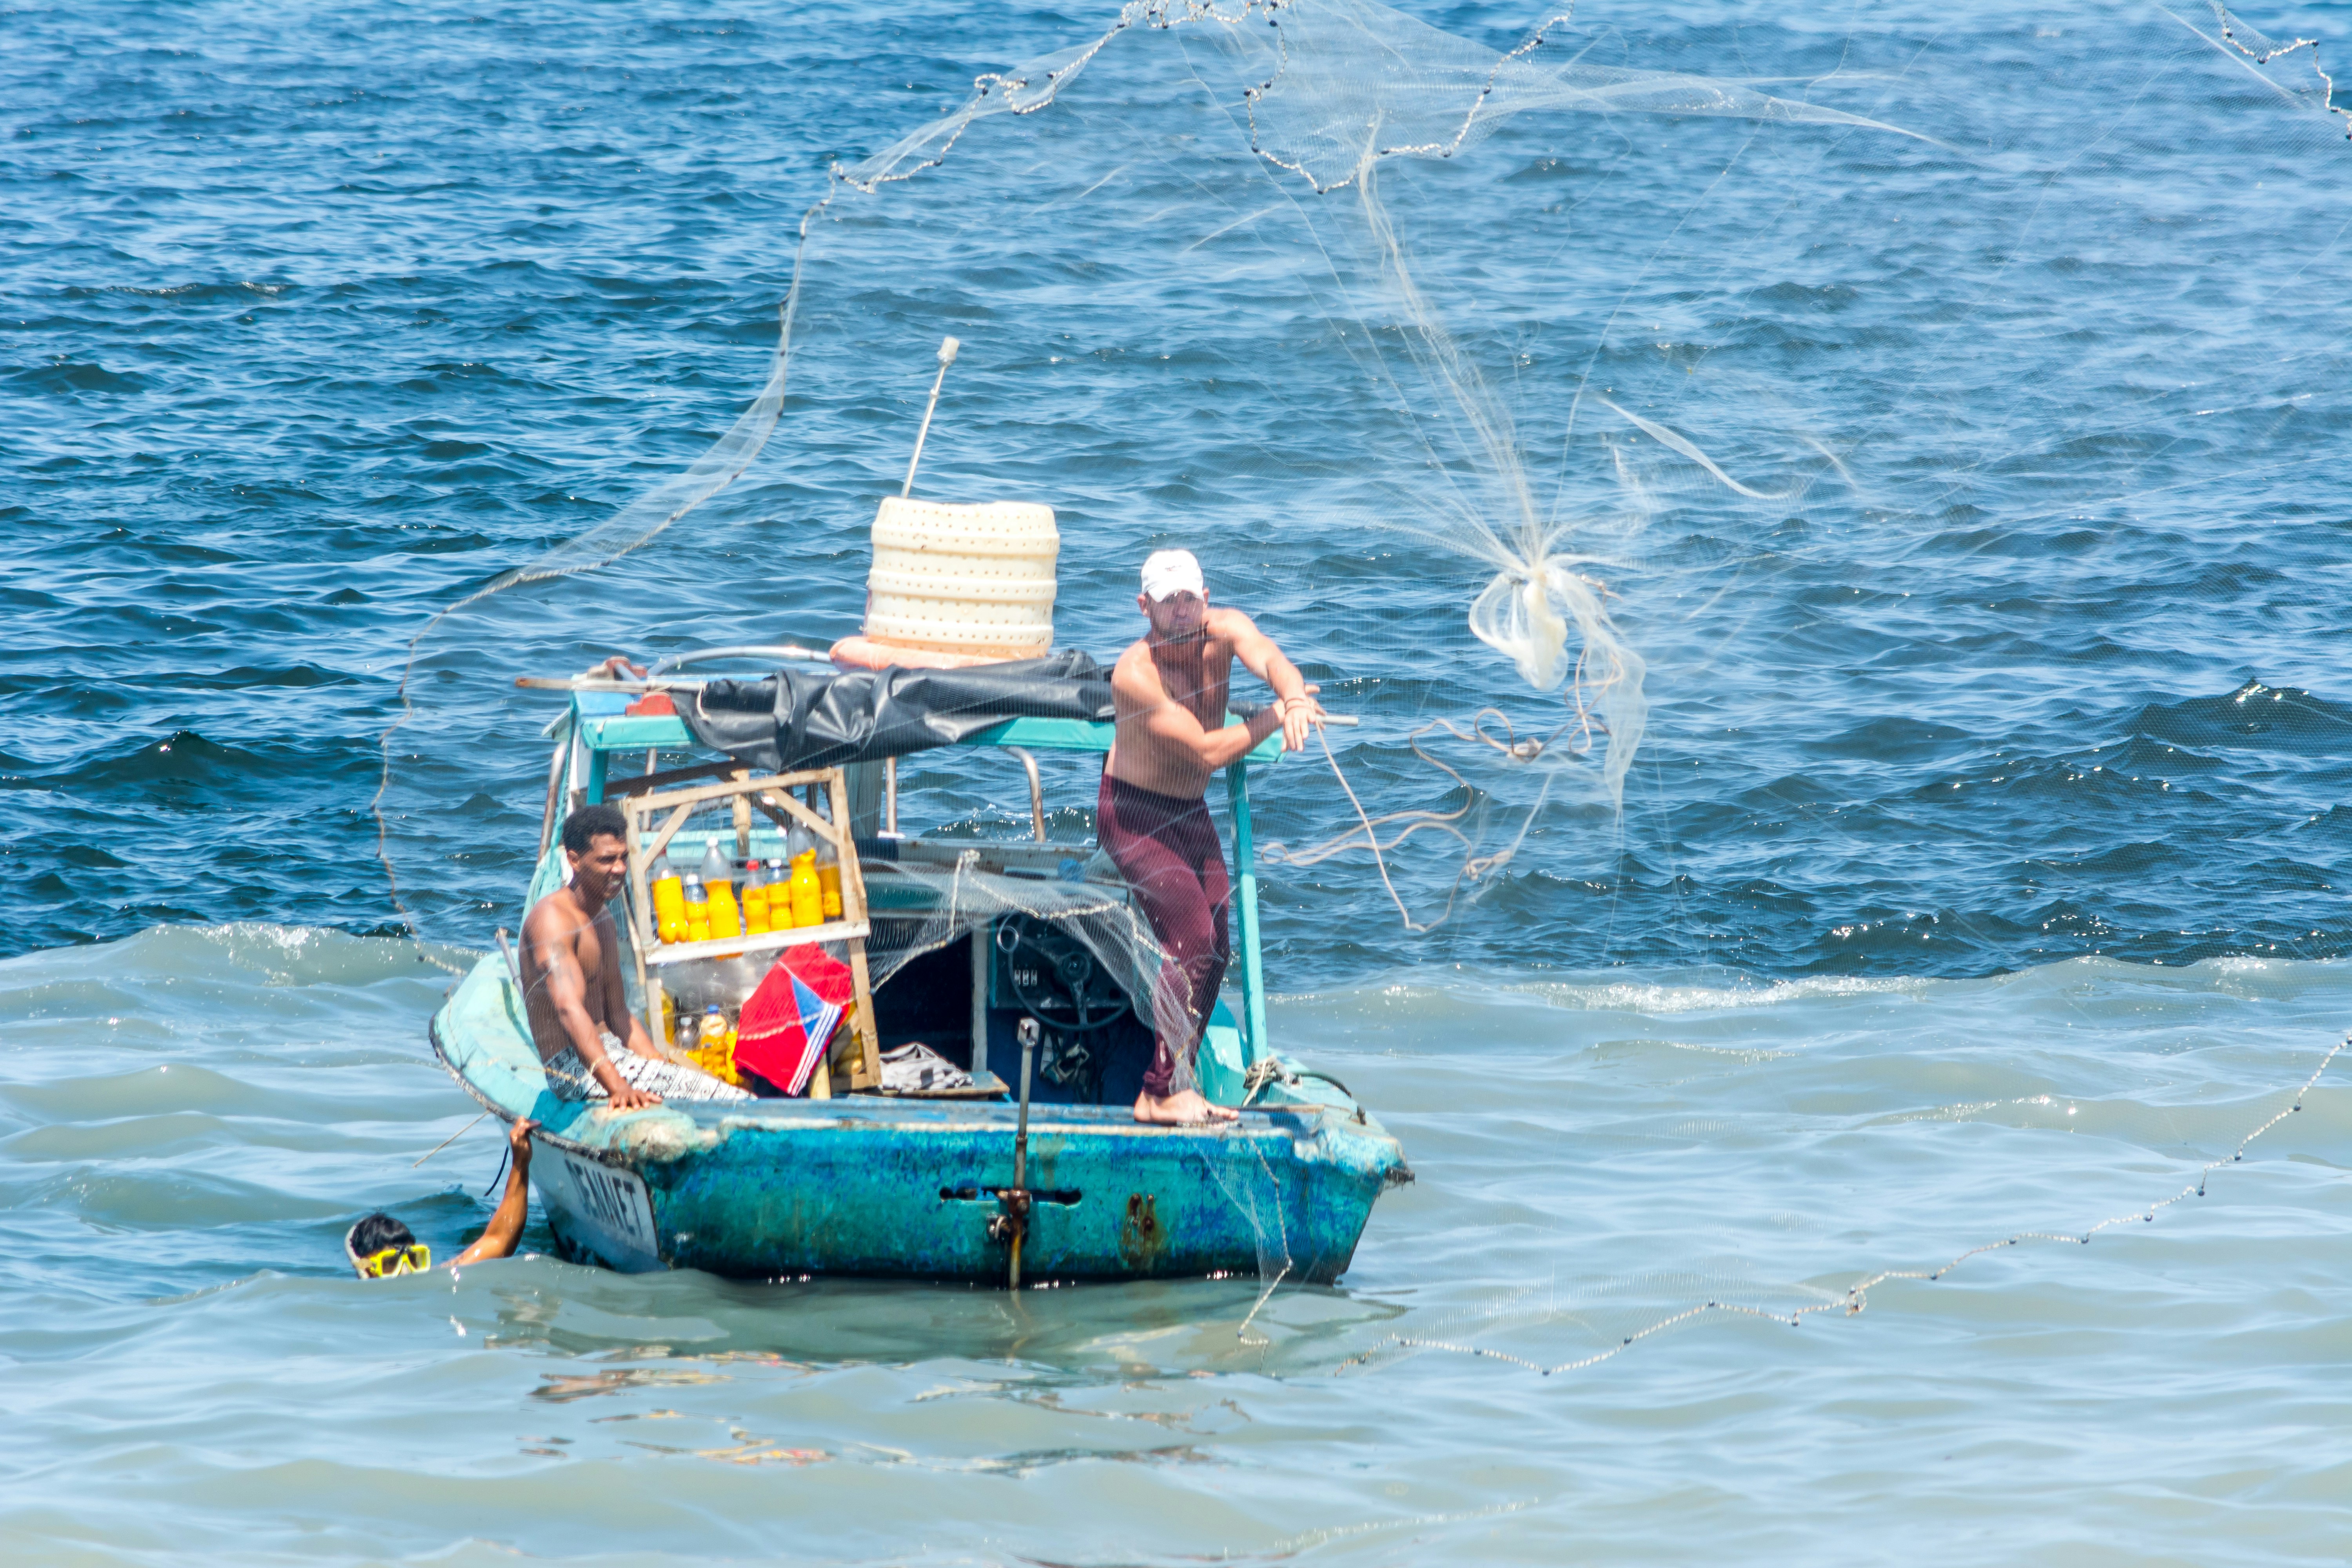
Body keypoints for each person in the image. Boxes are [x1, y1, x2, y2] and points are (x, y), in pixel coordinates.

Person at [1102, 548, 1323, 1125]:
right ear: (1143, 606)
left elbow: (1272, 659)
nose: (1182, 611)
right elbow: (1207, 749)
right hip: (1135, 814)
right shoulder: (1135, 674)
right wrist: (1273, 719)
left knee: (1219, 946)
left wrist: (1294, 697)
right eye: (1168, 601)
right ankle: (1159, 1093)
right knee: (1191, 941)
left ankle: (1180, 1082)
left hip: (1187, 808)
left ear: (1205, 596)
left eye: (1190, 598)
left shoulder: (1224, 629)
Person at [523, 802, 751, 1106]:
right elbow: (568, 1009)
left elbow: (618, 1015)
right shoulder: (553, 920)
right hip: (573, 1069)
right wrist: (619, 1088)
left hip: (613, 1054)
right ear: (574, 860)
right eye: (606, 860)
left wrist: (659, 1064)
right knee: (730, 1101)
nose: (619, 869)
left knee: (725, 1092)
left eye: (623, 858)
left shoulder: (603, 918)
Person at [345, 1117, 541, 1278]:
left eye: (415, 1260)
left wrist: (520, 1164)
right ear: (366, 1268)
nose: (405, 1273)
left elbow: (499, 1241)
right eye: (390, 1265)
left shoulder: (435, 1279)